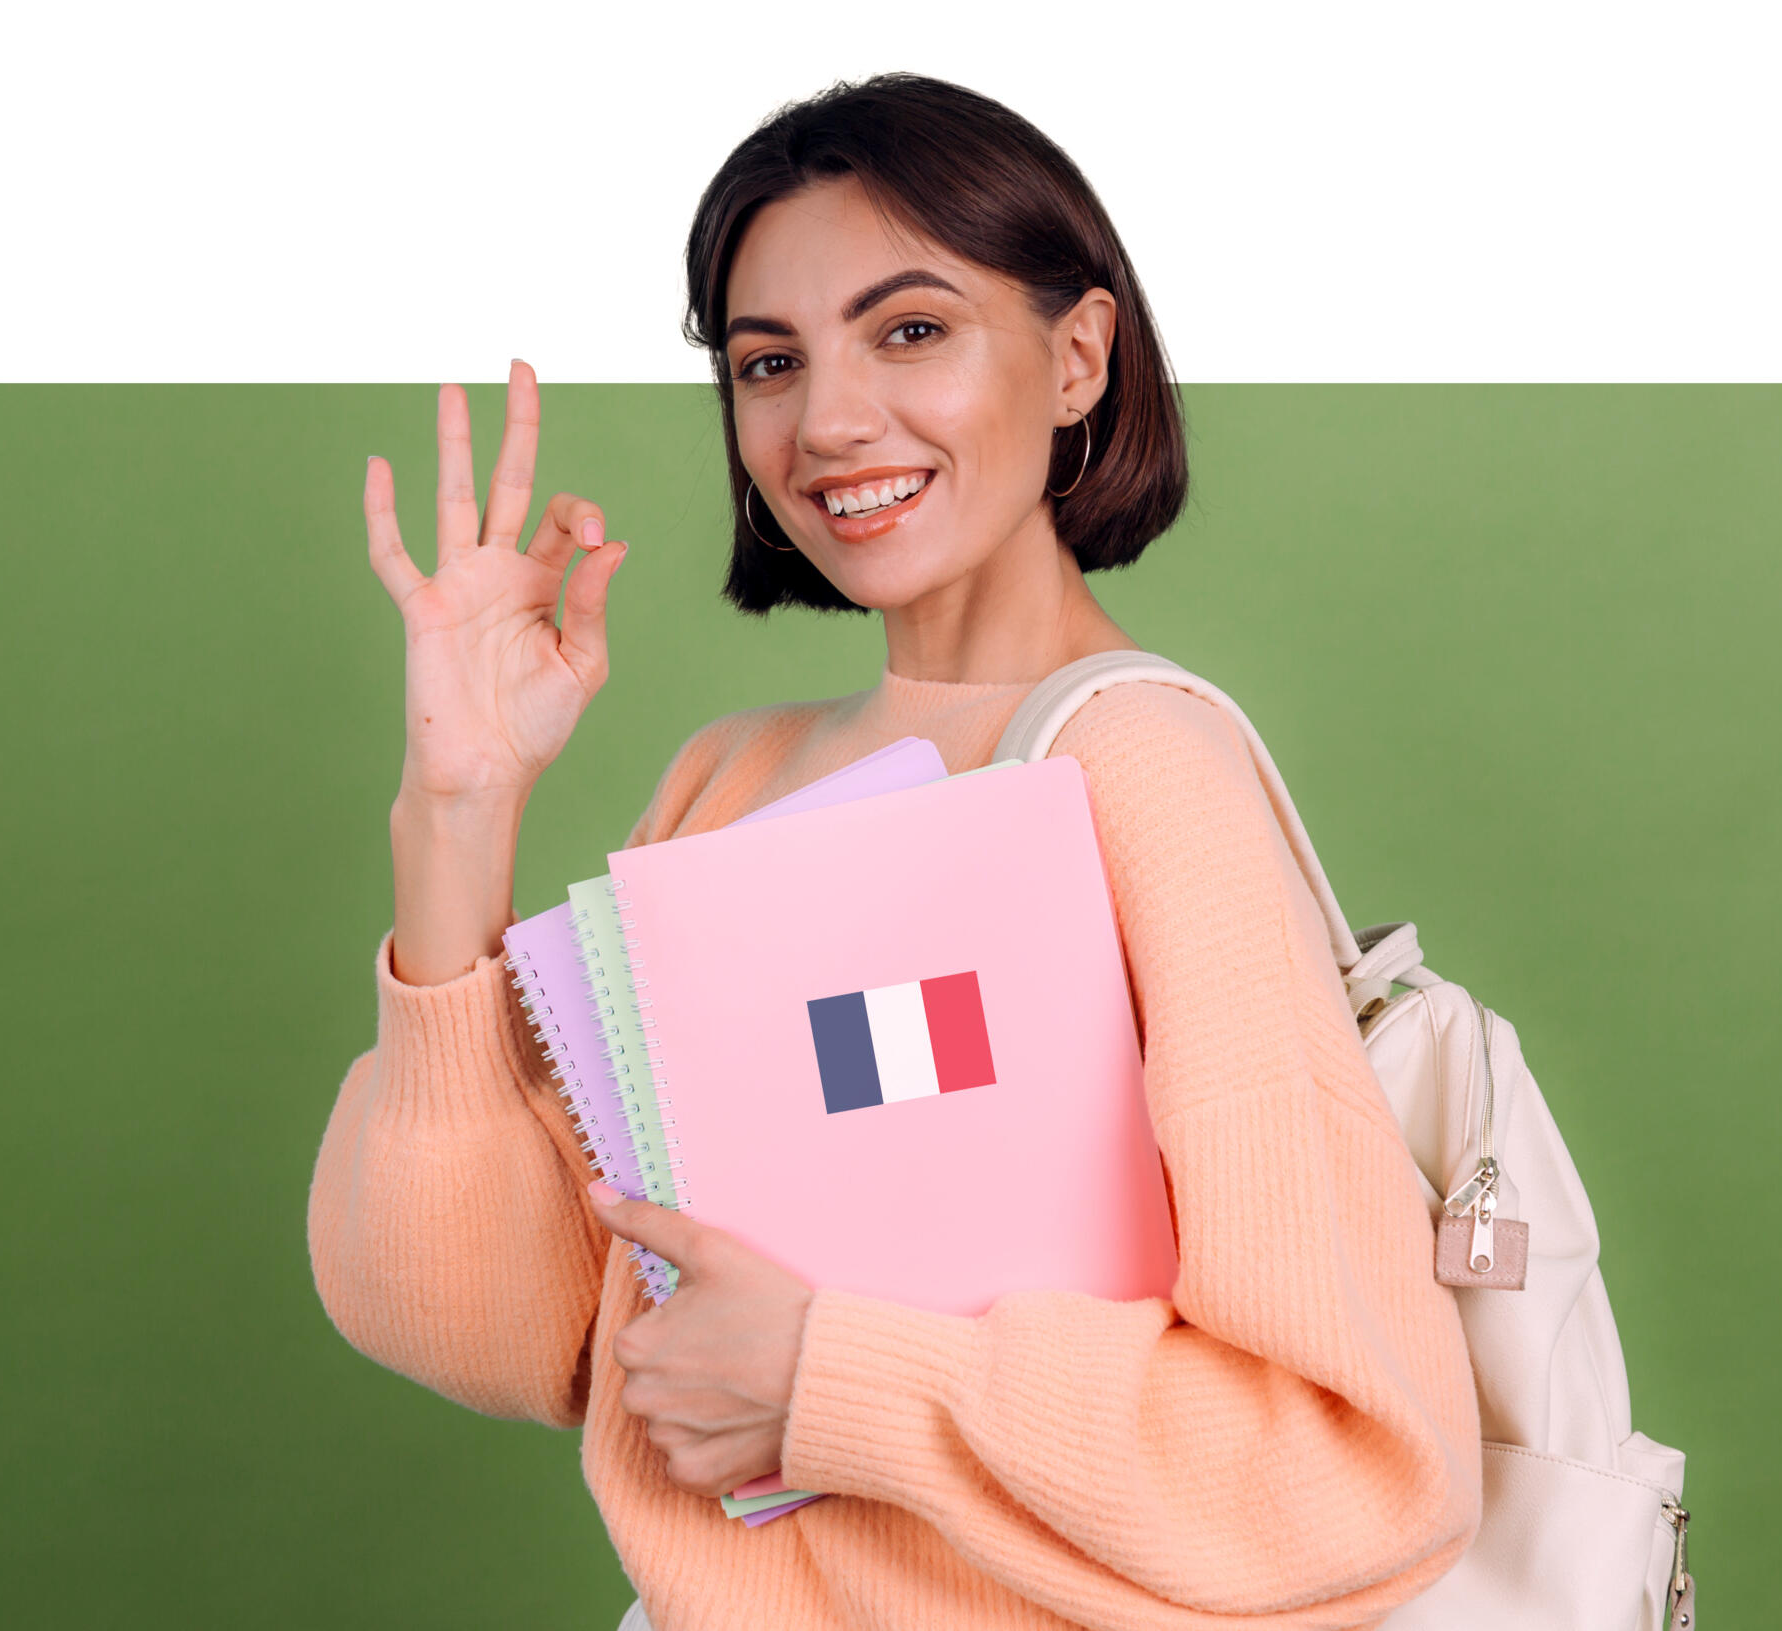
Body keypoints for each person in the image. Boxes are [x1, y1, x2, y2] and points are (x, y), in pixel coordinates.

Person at [309, 73, 1480, 1631]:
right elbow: (504, 1336)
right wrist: (458, 807)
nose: (832, 418)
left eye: (910, 329)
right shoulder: (729, 779)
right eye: (769, 361)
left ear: (1078, 357)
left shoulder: (1141, 773)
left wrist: (828, 1376)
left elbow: (1356, 1465)